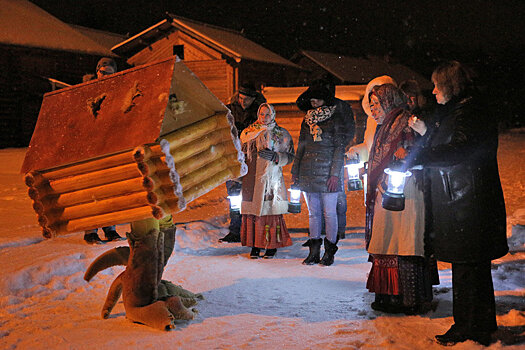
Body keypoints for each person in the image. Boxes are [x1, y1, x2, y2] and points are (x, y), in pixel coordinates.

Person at [409, 61, 508, 346]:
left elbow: (460, 148)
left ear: (451, 86)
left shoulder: (469, 110)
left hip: (469, 202)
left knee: (469, 269)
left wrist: (422, 158)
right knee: (469, 268)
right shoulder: (459, 110)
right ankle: (476, 325)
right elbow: (450, 141)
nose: (434, 91)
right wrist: (426, 135)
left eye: (438, 86)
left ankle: (470, 328)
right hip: (462, 199)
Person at [363, 83, 434, 315]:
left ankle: (409, 297)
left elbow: (420, 146)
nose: (373, 110)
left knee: (404, 241)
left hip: (407, 190)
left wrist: (403, 155)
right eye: (371, 105)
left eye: (376, 104)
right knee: (387, 240)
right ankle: (388, 295)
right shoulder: (384, 125)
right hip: (388, 190)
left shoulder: (406, 120)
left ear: (388, 101)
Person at [291, 85, 346, 266]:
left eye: (317, 98)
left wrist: (334, 175)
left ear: (325, 99)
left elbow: (339, 148)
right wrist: (295, 171)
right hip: (308, 171)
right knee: (313, 214)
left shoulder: (335, 118)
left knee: (329, 213)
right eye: (311, 99)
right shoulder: (306, 120)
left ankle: (329, 251)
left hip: (328, 173)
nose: (313, 102)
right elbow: (301, 146)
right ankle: (314, 251)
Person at [296, 79, 355, 240]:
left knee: (336, 201)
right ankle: (317, 236)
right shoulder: (308, 119)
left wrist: (339, 146)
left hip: (332, 161)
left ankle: (336, 234)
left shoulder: (339, 110)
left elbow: (345, 134)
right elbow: (302, 145)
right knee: (315, 208)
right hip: (312, 166)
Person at [238, 103, 294, 258]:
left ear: (273, 115)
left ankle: (271, 244)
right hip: (251, 177)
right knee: (254, 212)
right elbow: (238, 155)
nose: (264, 118)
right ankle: (255, 245)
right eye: (262, 114)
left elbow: (290, 155)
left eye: (267, 114)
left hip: (271, 179)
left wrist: (277, 157)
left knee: (270, 211)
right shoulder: (248, 133)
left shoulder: (281, 133)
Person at [219, 84, 267, 243]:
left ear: (254, 98)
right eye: (240, 97)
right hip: (233, 157)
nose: (243, 101)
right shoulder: (228, 110)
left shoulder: (260, 112)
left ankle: (252, 229)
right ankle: (235, 229)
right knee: (234, 195)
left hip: (252, 158)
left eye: (246, 99)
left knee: (252, 195)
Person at [83, 57, 124, 244]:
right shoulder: (87, 93)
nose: (105, 76)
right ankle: (90, 231)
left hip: (111, 145)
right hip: (92, 147)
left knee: (111, 191)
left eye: (109, 73)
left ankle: (110, 229)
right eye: (102, 72)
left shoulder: (118, 93)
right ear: (97, 72)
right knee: (93, 191)